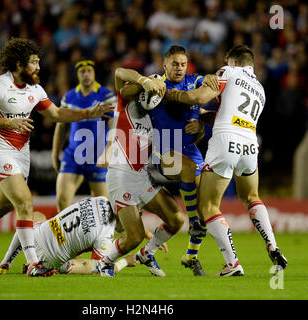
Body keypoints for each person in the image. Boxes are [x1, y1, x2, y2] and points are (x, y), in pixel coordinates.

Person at [0, 38, 114, 277]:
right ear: (18, 64)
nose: (39, 67)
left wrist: (89, 112)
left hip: (21, 154)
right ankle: (35, 264)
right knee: (25, 203)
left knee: (4, 204)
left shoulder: (35, 89)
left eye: (38, 62)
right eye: (34, 63)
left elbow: (56, 114)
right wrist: (7, 121)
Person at [170, 45, 288, 276]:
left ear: (232, 61)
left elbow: (200, 96)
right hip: (250, 144)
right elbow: (231, 114)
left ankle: (232, 264)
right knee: (252, 197)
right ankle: (272, 244)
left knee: (208, 207)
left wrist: (174, 95)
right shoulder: (260, 88)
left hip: (225, 141)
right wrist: (205, 118)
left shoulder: (228, 72)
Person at [97, 67, 186, 278]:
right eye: (150, 92)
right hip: (121, 176)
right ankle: (105, 262)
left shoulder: (154, 118)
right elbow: (119, 72)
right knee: (134, 237)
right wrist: (143, 80)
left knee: (177, 219)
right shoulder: (124, 104)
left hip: (143, 177)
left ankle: (148, 253)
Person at [147, 45, 219, 276]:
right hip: (163, 151)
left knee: (206, 206)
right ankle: (192, 221)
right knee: (187, 172)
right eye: (175, 64)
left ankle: (190, 256)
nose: (179, 68)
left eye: (183, 64)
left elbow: (204, 102)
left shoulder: (194, 80)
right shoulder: (156, 85)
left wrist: (201, 124)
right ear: (164, 65)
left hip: (191, 150)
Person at [0, 197, 138, 276]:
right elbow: (102, 268)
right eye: (131, 221)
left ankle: (6, 263)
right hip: (49, 262)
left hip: (36, 236)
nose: (128, 227)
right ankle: (43, 266)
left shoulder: (101, 199)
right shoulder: (106, 234)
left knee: (35, 216)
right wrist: (125, 260)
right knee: (94, 265)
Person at [52, 59, 116, 212]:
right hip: (73, 155)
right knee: (62, 202)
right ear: (78, 75)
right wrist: (55, 154)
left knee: (103, 208)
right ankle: (67, 236)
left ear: (94, 74)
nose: (86, 75)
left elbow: (114, 124)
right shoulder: (69, 97)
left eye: (89, 71)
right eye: (82, 72)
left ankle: (103, 236)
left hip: (97, 157)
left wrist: (108, 151)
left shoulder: (105, 95)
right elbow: (61, 125)